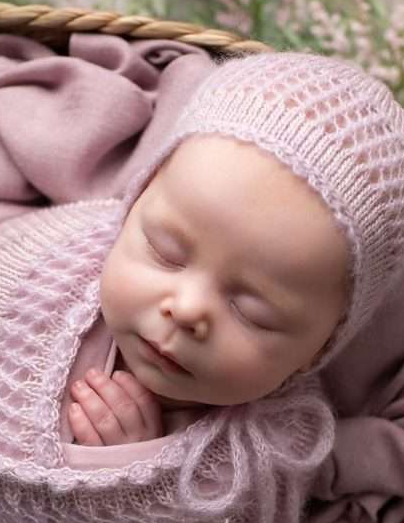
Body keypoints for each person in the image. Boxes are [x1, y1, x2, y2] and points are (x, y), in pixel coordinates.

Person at [69, 132, 352, 446]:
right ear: (135, 203)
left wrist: (128, 461)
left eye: (251, 313)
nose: (186, 309)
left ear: (318, 350)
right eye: (166, 253)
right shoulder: (63, 256)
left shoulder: (271, 449)